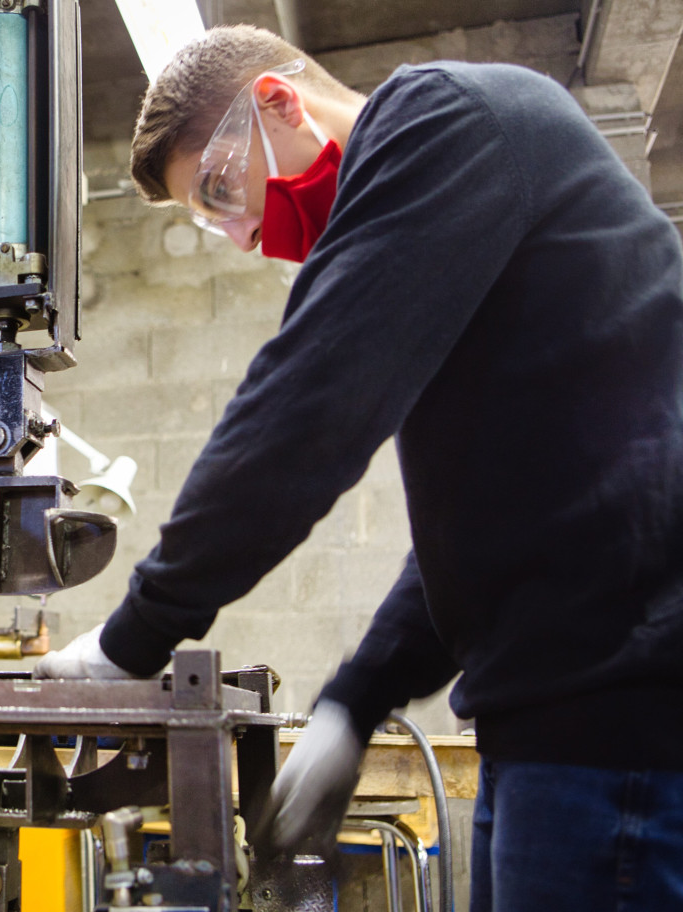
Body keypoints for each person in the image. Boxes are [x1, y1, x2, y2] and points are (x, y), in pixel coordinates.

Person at [34, 24, 683, 911]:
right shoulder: (457, 214)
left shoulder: (443, 122)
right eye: (211, 216)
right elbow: (488, 515)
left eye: (223, 188)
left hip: (623, 729)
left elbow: (311, 407)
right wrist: (353, 700)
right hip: (553, 723)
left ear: (278, 100)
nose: (240, 233)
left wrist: (131, 641)